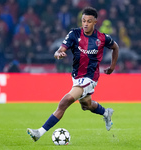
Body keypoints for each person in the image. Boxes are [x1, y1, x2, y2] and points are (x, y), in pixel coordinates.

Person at [27, 7, 119, 142]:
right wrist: (59, 54)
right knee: (86, 105)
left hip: (90, 77)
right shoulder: (74, 34)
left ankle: (39, 133)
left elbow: (115, 47)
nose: (86, 24)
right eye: (83, 21)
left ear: (95, 22)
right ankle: (106, 112)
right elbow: (59, 50)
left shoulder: (102, 38)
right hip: (76, 76)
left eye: (89, 21)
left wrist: (112, 66)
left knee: (65, 101)